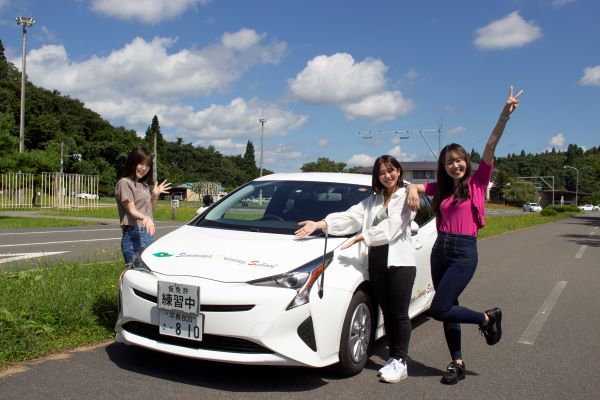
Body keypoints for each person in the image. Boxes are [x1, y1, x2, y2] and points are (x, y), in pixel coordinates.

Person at [407, 85, 524, 385]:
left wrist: (503, 116)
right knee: (449, 308)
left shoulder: (477, 183)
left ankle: (488, 318)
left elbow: (490, 147)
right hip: (440, 250)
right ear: (443, 167)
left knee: (440, 308)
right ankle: (456, 362)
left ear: (466, 162)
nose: (455, 164)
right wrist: (410, 188)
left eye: (459, 159)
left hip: (463, 252)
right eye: (449, 162)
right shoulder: (441, 188)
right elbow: (417, 187)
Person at [295, 155, 416, 383]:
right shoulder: (374, 200)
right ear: (377, 176)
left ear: (399, 171)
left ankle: (401, 361)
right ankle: (393, 358)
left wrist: (364, 235)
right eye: (382, 172)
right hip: (377, 260)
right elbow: (351, 216)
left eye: (391, 170)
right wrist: (321, 224)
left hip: (401, 262)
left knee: (399, 313)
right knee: (387, 311)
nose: (387, 175)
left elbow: (393, 228)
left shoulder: (406, 197)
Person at [115, 146, 171, 264]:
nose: (144, 168)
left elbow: (149, 211)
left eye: (147, 165)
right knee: (135, 273)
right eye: (141, 163)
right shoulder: (124, 183)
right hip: (133, 234)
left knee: (148, 272)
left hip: (147, 233)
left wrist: (155, 195)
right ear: (133, 162)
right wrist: (145, 218)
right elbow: (131, 210)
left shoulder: (144, 186)